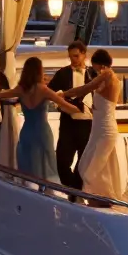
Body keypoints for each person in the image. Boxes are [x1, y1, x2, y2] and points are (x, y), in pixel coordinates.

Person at [0, 56, 81, 182]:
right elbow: (68, 106)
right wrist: (83, 109)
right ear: (39, 71)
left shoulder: (20, 89)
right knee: (45, 168)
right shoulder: (44, 89)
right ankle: (45, 193)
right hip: (42, 132)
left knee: (28, 167)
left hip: (27, 133)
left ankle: (28, 193)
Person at [61, 49, 124, 202]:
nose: (93, 68)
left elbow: (85, 88)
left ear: (99, 64)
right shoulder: (111, 77)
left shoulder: (107, 74)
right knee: (90, 166)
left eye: (93, 65)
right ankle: (100, 199)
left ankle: (97, 199)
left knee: (91, 169)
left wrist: (64, 93)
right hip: (99, 129)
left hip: (104, 130)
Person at [48, 41, 96, 191]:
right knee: (61, 161)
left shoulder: (93, 74)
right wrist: (60, 104)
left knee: (84, 162)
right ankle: (74, 188)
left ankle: (76, 193)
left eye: (76, 56)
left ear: (84, 55)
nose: (73, 60)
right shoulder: (62, 73)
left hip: (88, 124)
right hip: (68, 122)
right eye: (70, 57)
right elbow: (50, 93)